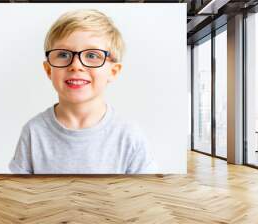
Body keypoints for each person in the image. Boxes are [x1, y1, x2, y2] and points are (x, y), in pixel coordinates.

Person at [9, 9, 157, 174]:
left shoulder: (129, 136)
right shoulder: (33, 132)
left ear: (113, 71)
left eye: (92, 55)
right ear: (48, 70)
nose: (76, 65)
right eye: (64, 54)